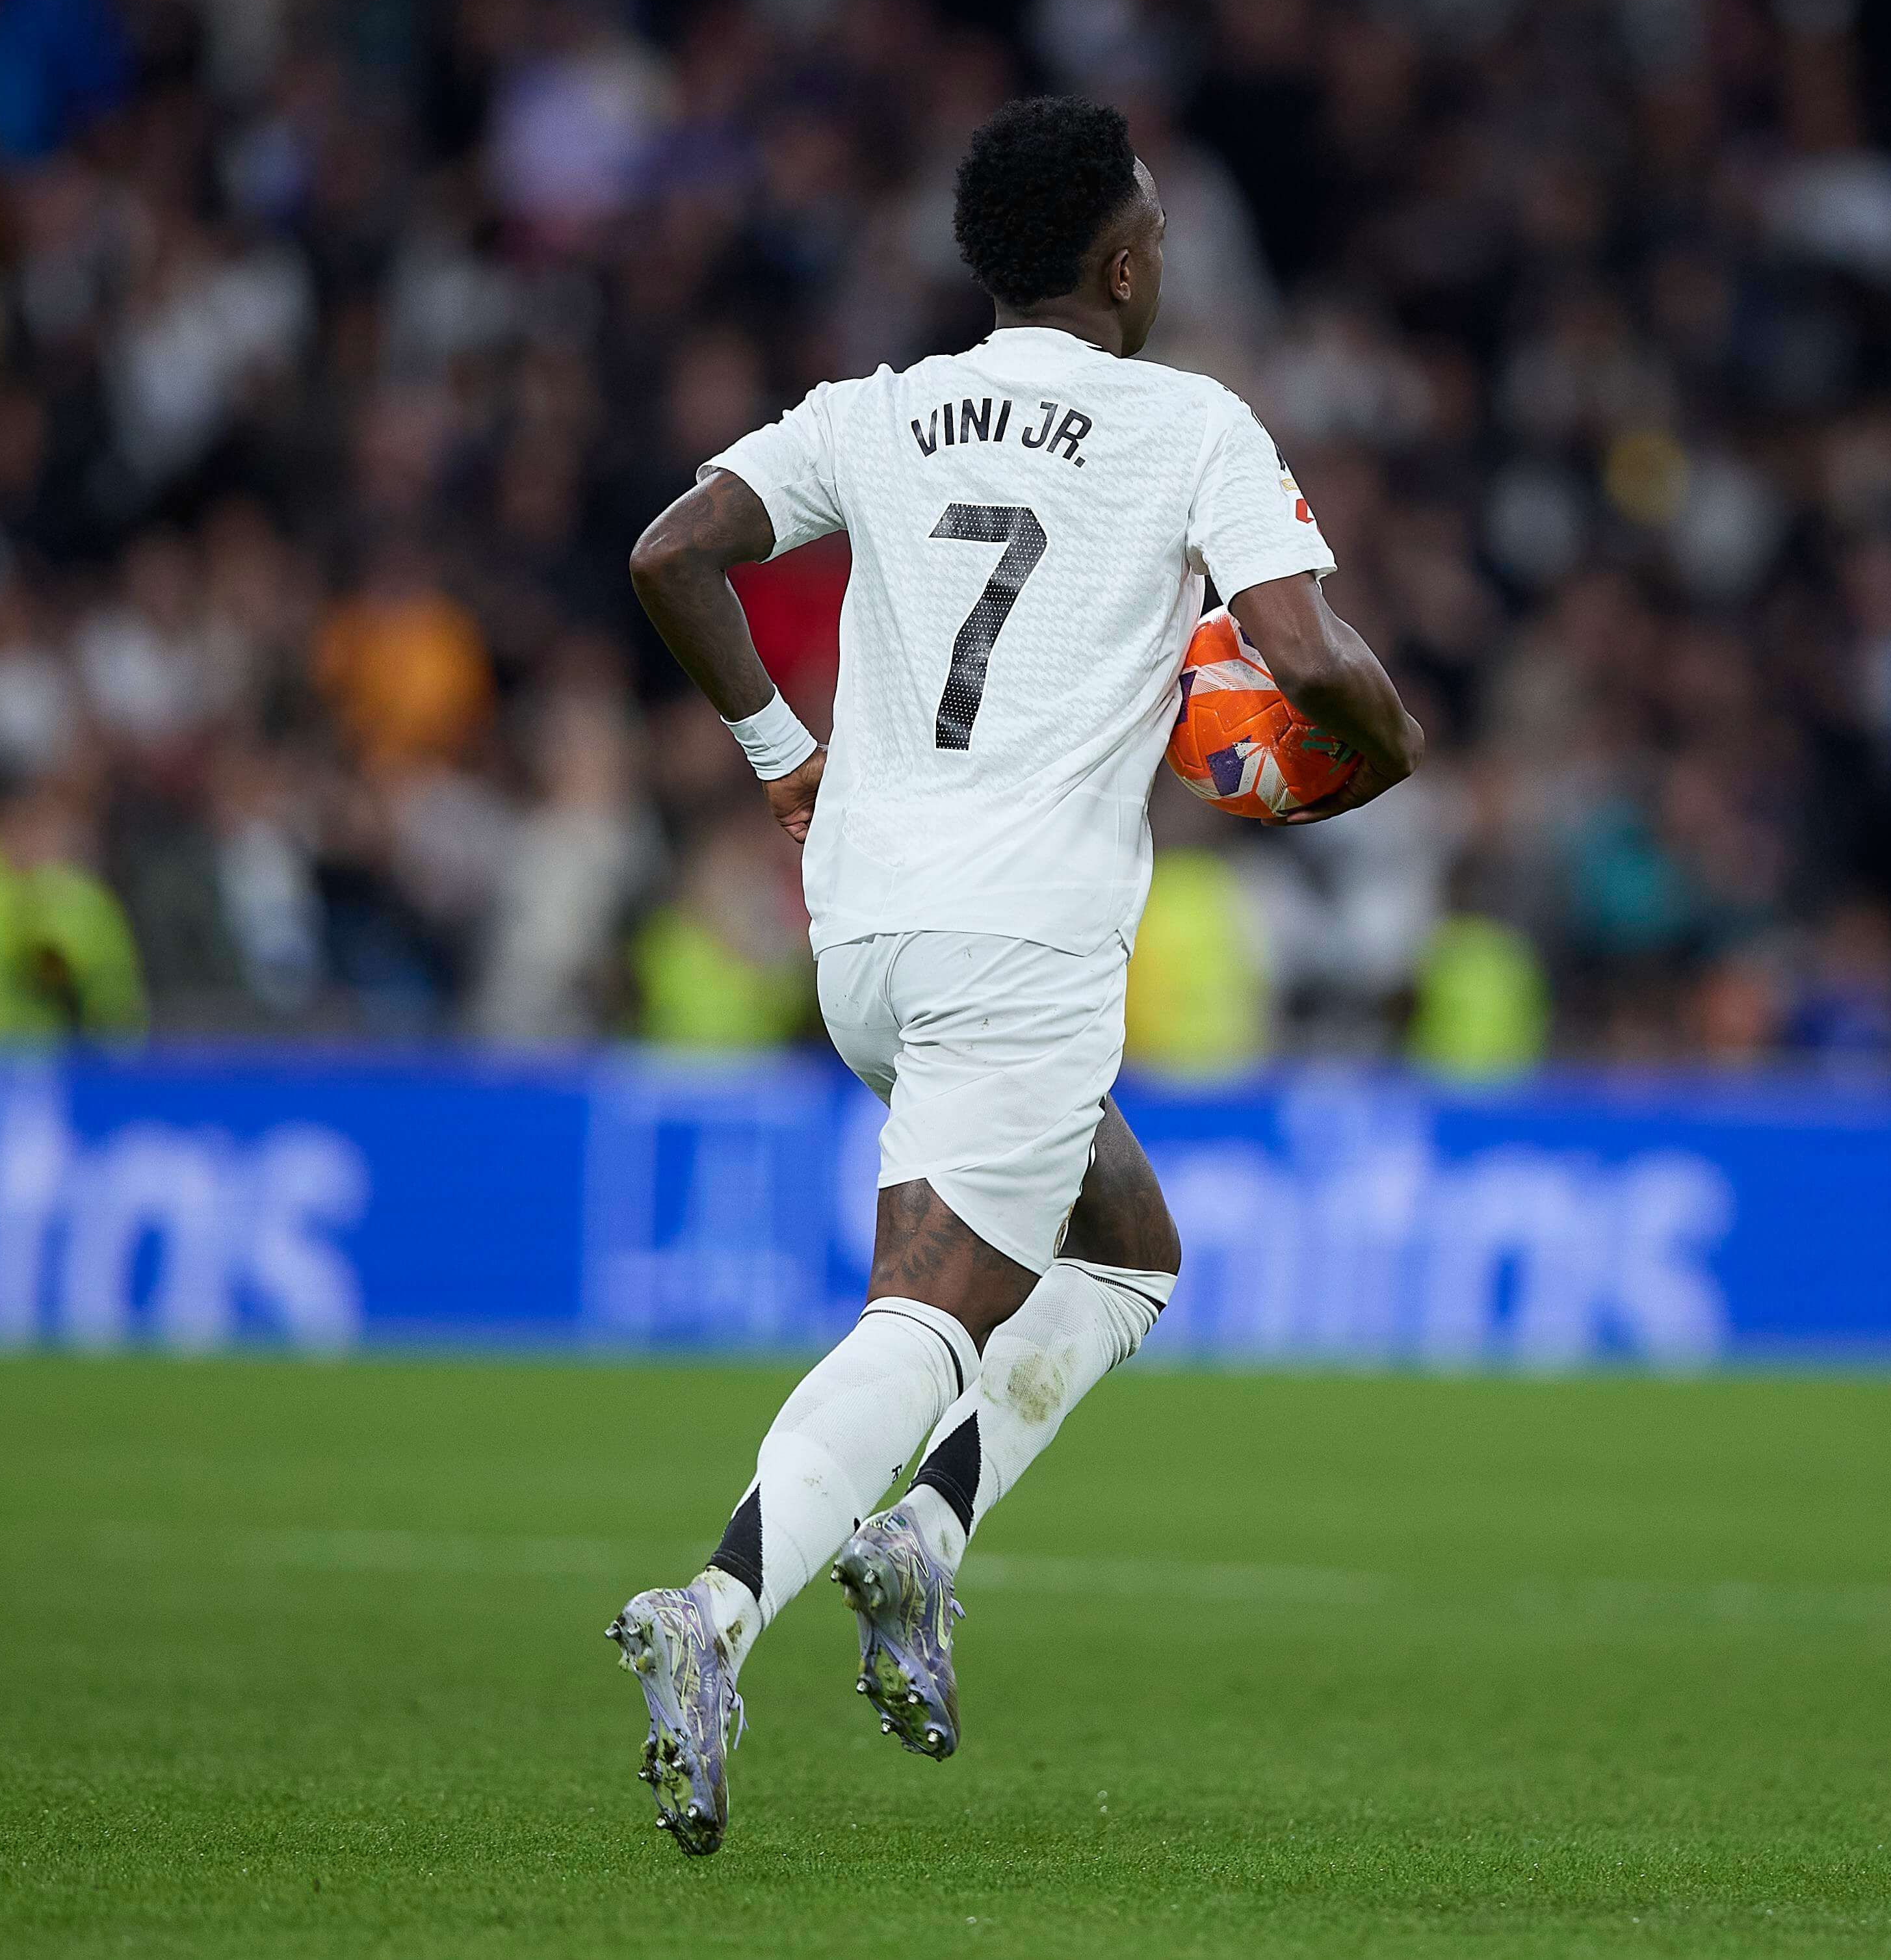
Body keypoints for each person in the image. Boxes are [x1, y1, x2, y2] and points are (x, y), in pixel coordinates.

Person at [605, 96, 1421, 1856]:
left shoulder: (880, 412)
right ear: (1125, 260)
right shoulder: (1188, 421)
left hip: (865, 931)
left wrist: (775, 750)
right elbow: (1298, 650)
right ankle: (717, 1606)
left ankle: (926, 1539)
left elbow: (672, 552)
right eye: (1158, 231)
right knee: (932, 1311)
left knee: (1128, 1246)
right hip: (1023, 934)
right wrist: (1391, 743)